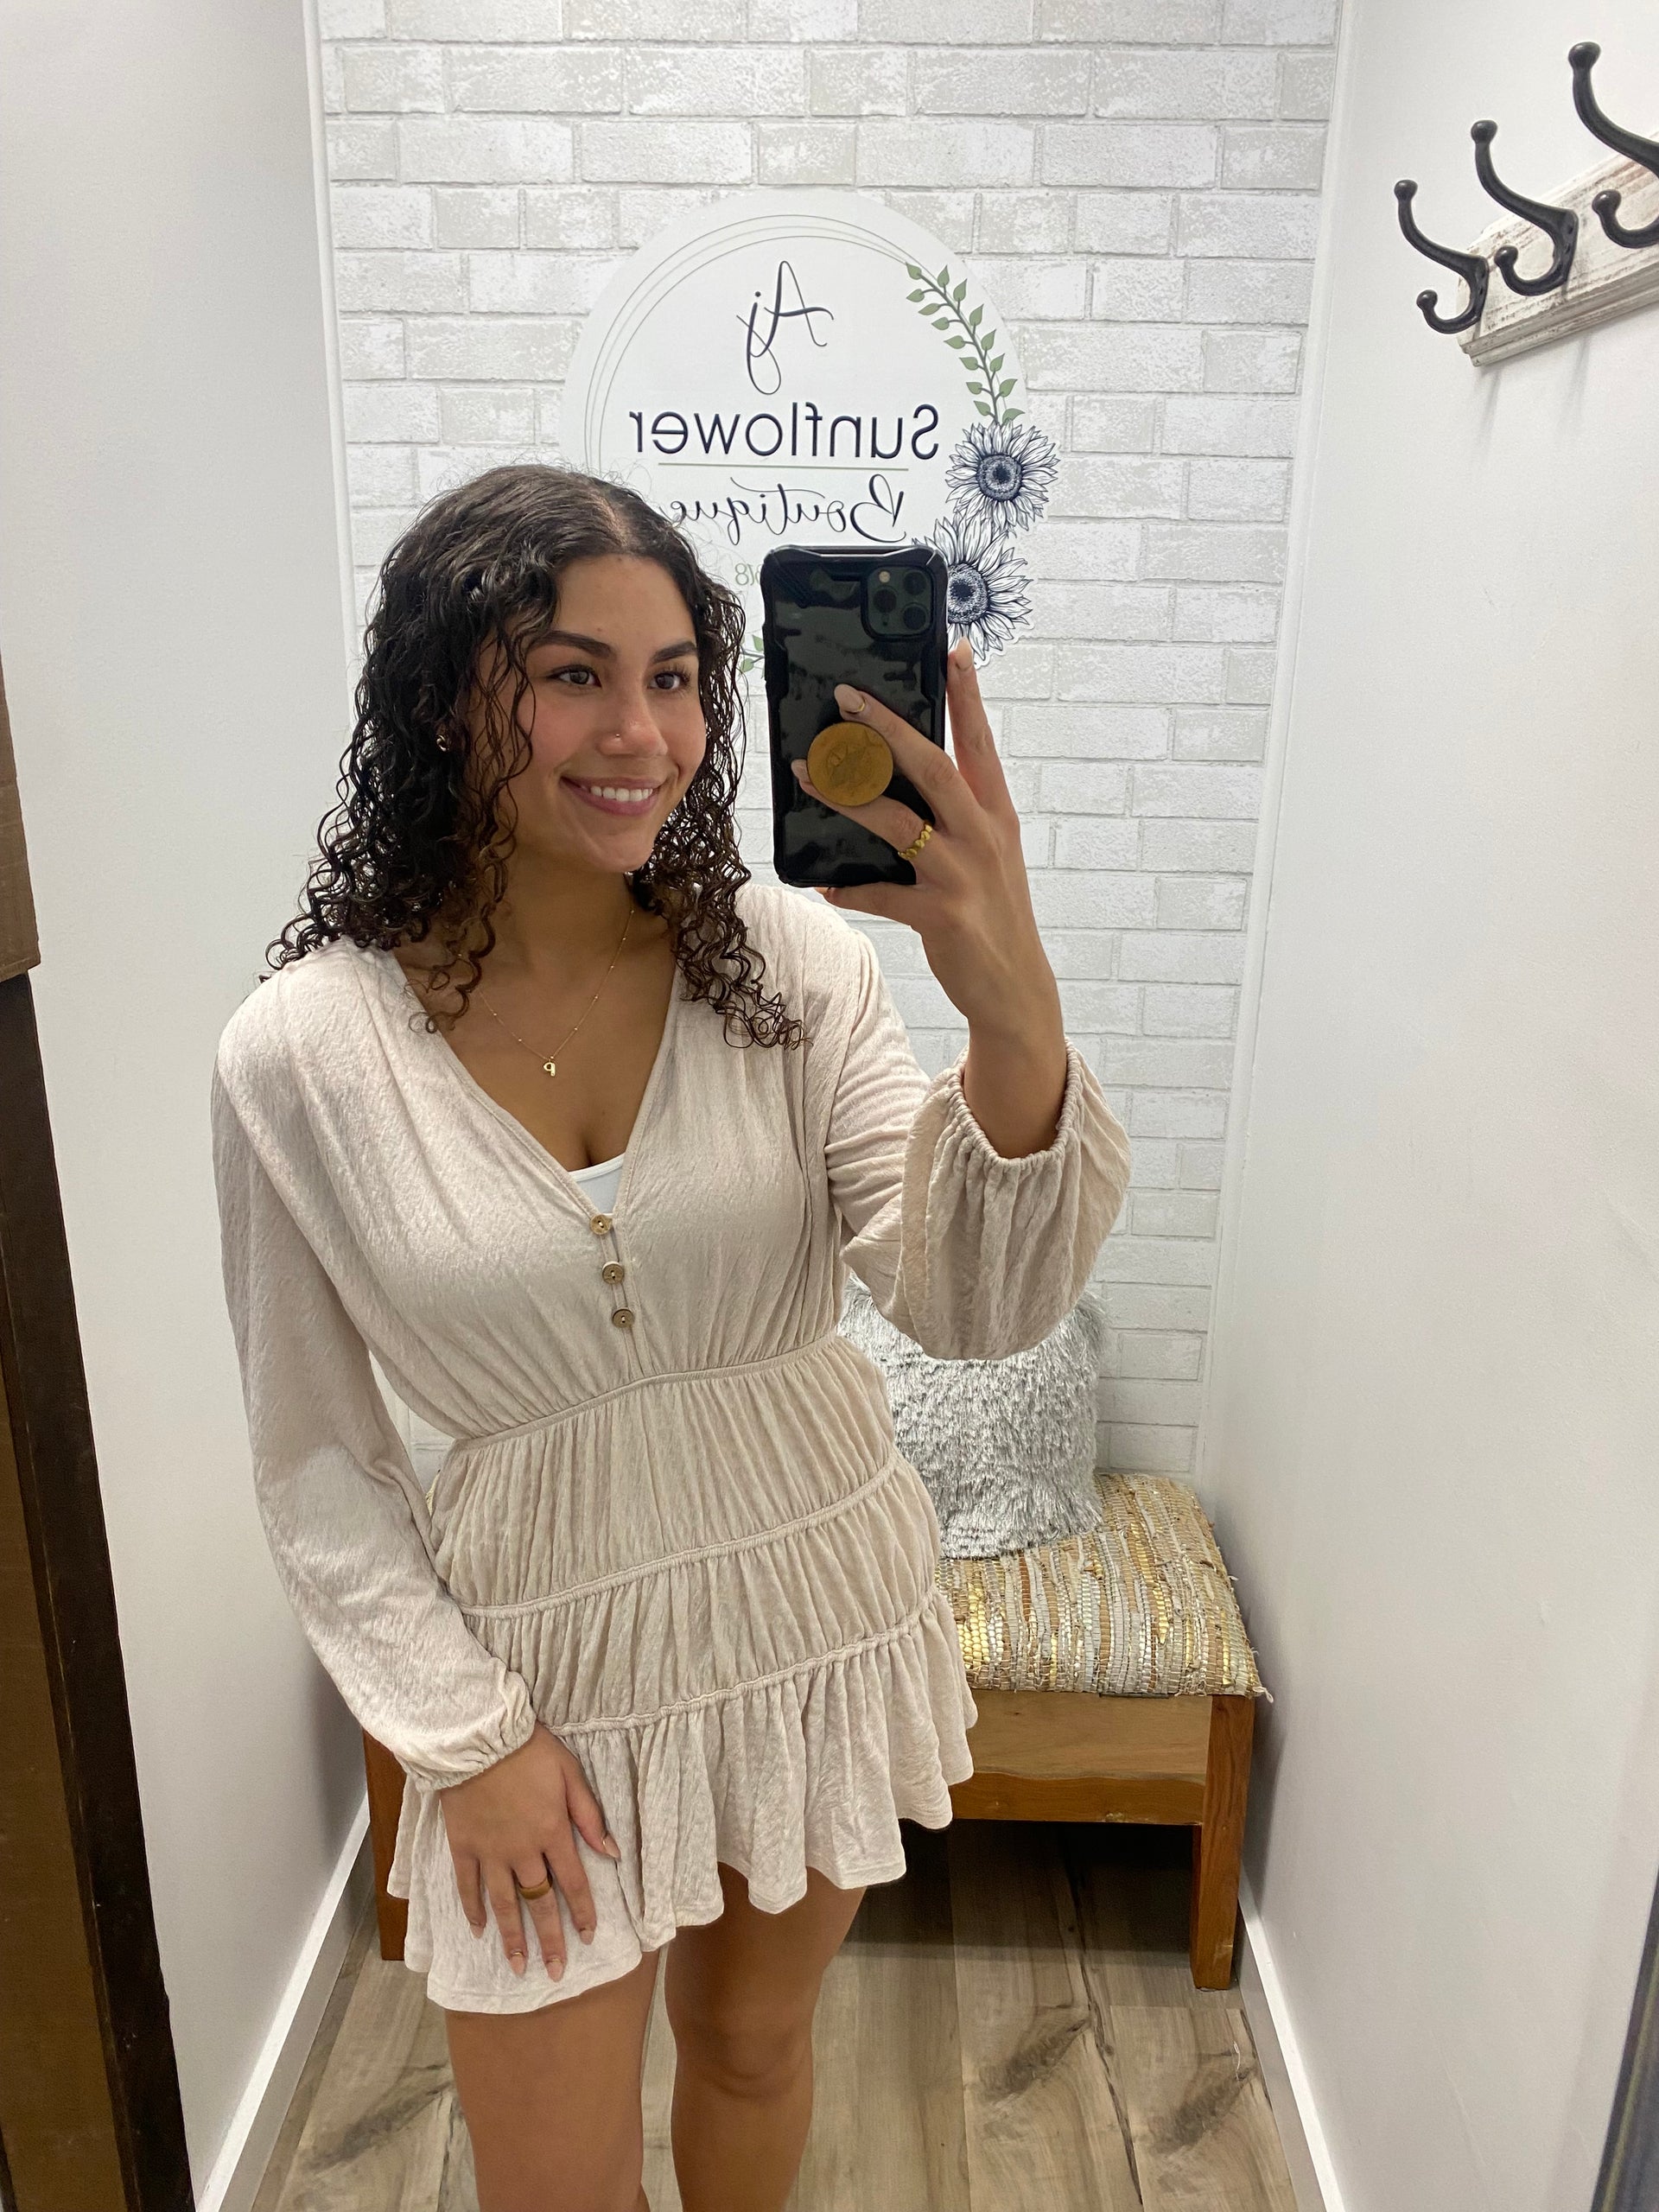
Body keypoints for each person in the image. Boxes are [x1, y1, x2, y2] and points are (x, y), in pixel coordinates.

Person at [211, 463, 1131, 2212]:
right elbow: (316, 1460)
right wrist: (464, 1740)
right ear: (441, 695)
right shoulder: (304, 1057)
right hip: (536, 1672)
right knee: (552, 2185)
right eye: (573, 673)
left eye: (674, 676)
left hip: (812, 1604)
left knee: (754, 2050)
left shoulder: (788, 968)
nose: (639, 732)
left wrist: (1008, 1004)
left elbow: (974, 1303)